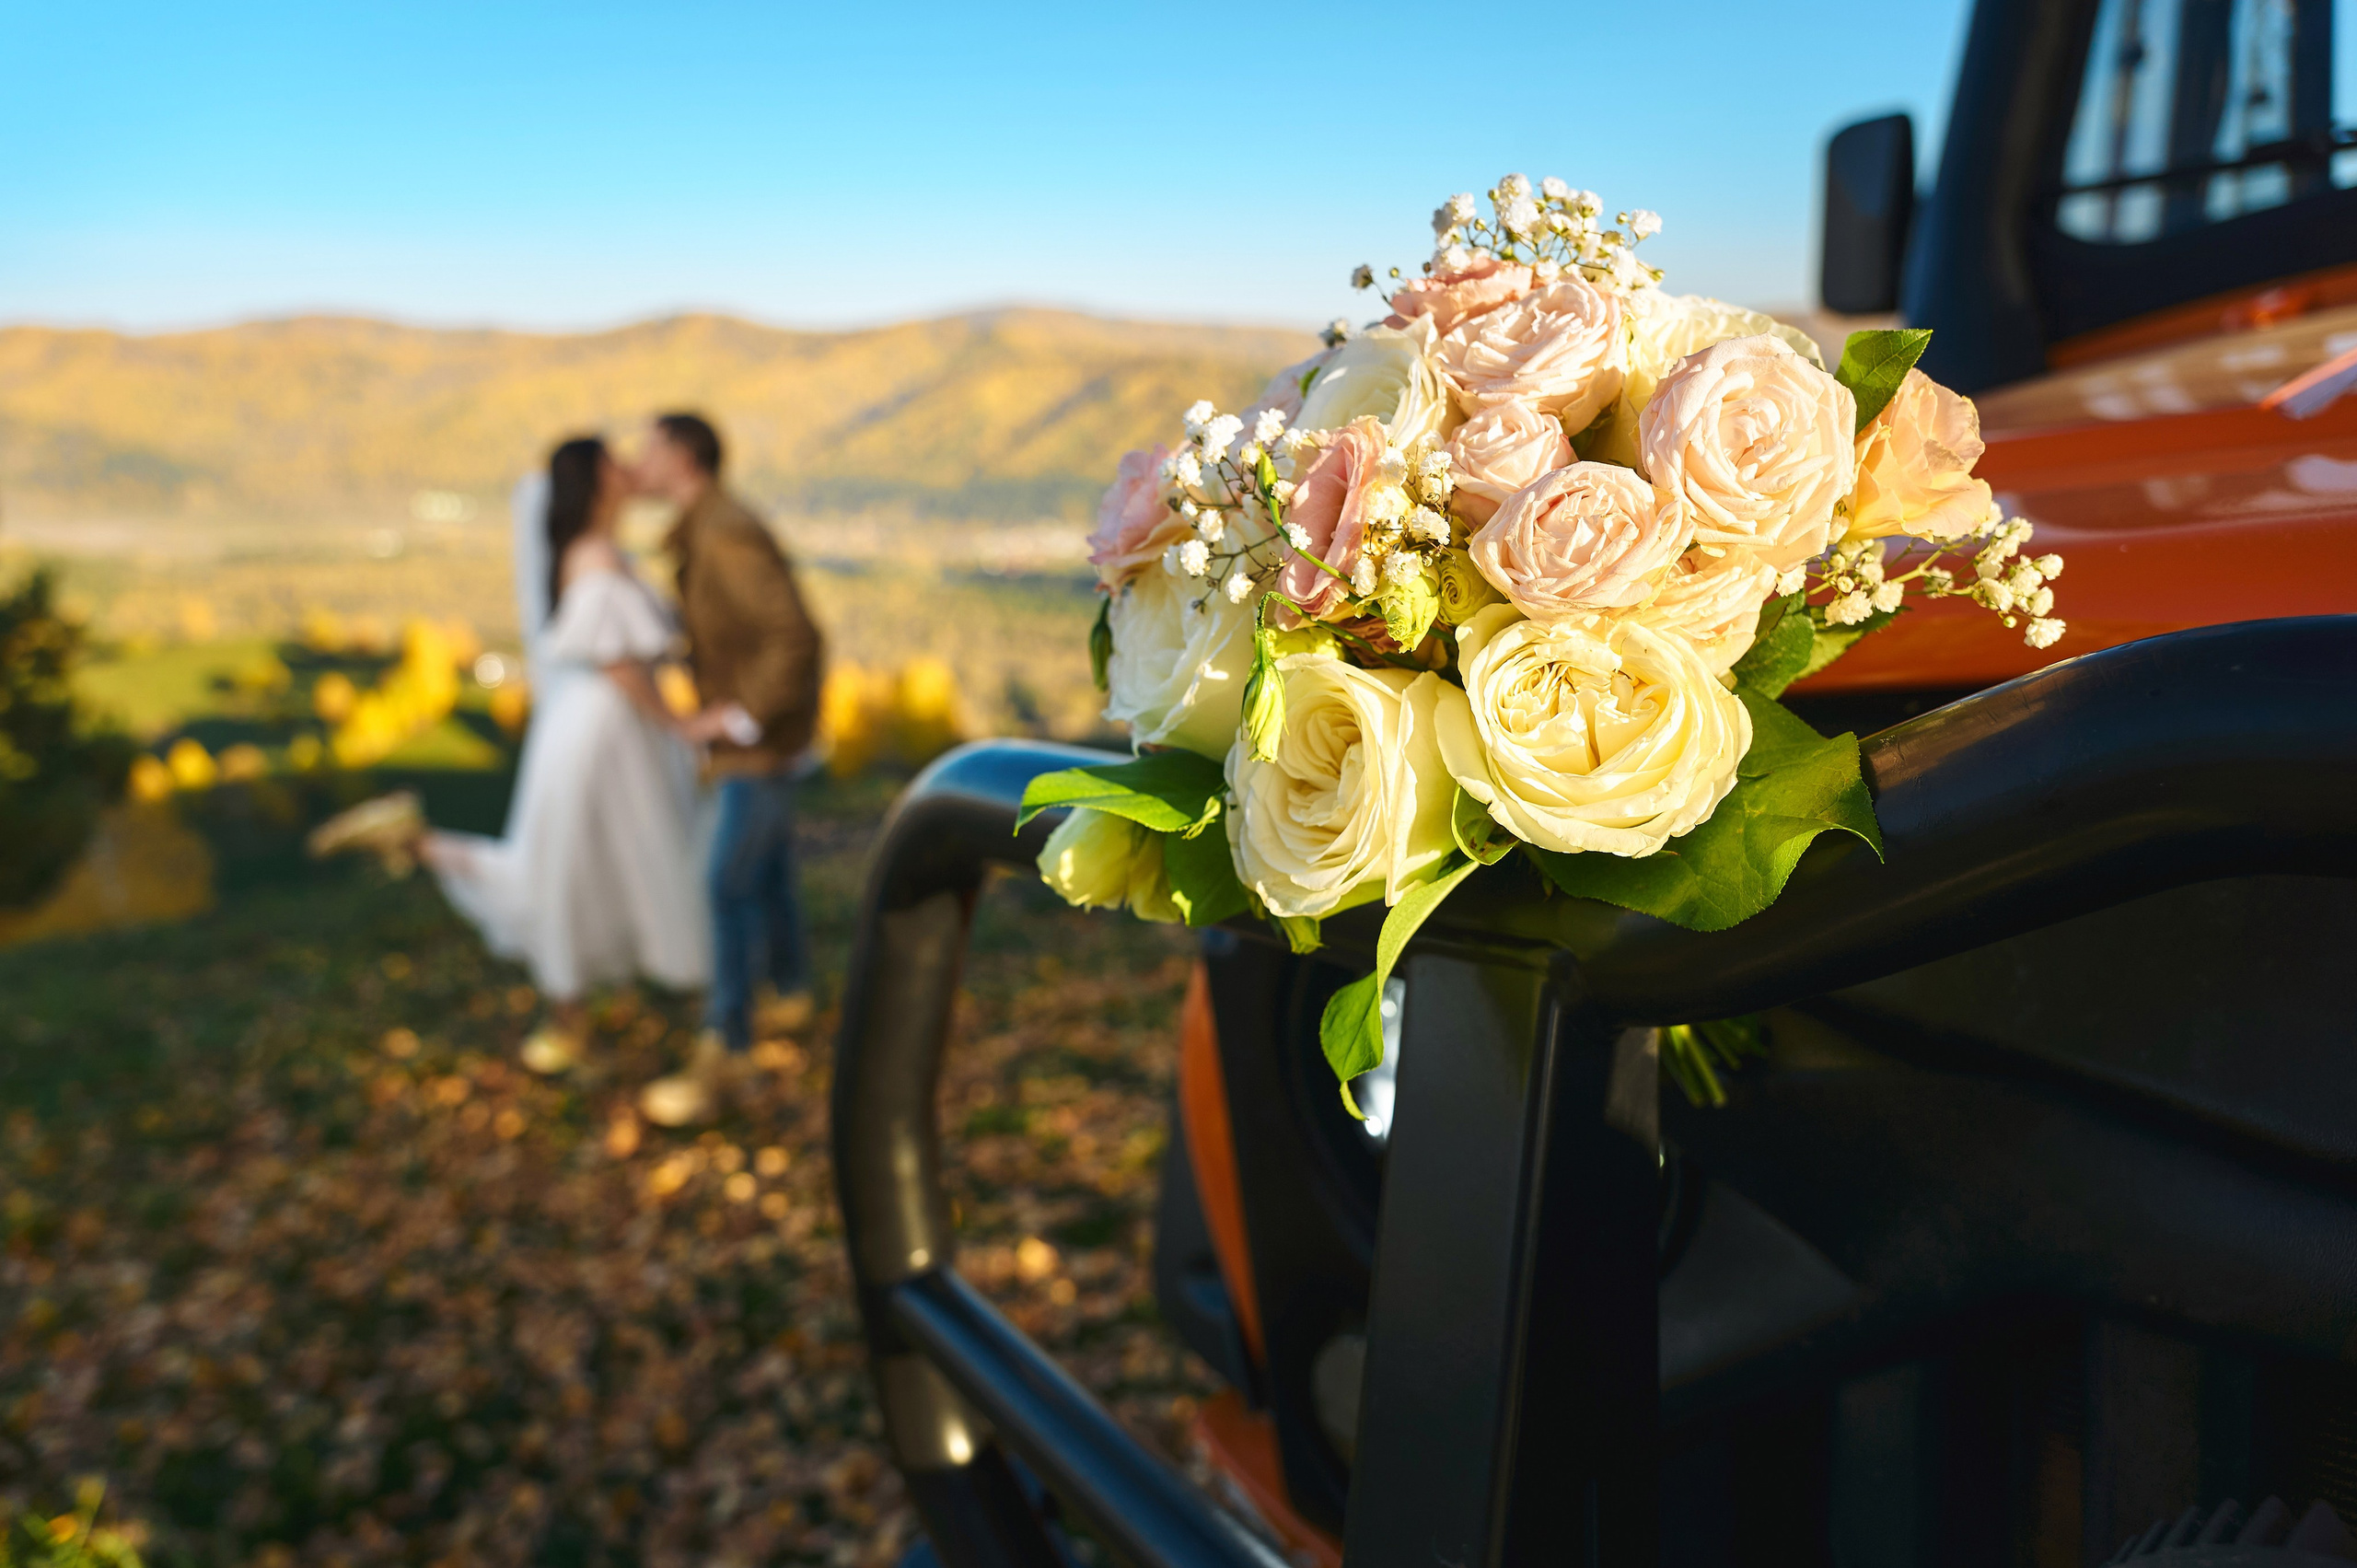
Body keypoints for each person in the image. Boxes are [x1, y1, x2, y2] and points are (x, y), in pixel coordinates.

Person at [309, 436, 713, 1069]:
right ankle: (580, 1010)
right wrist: (680, 723)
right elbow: (617, 660)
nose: (630, 465)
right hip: (604, 734)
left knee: (584, 861)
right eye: (615, 460)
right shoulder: (596, 555)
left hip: (600, 731)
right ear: (597, 481)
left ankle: (582, 1009)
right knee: (574, 865)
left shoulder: (588, 552)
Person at [633, 412, 825, 1126]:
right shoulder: (706, 529)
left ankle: (729, 1044)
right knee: (767, 873)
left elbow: (793, 636)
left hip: (757, 746)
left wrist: (738, 716)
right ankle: (793, 993)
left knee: (725, 882)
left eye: (647, 448)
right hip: (761, 742)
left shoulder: (723, 533)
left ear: (682, 457)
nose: (637, 461)